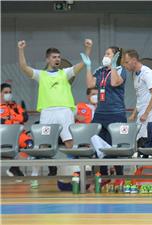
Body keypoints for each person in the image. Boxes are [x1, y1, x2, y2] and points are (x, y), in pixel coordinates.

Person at [18, 39, 93, 179]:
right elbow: (23, 67)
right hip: (47, 113)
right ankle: (35, 176)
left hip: (65, 112)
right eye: (54, 57)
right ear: (47, 59)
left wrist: (87, 48)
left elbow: (82, 64)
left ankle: (79, 172)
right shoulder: (41, 75)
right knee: (42, 144)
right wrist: (21, 49)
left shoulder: (65, 73)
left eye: (58, 57)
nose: (57, 59)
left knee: (70, 142)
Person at [81, 46, 127, 176]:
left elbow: (114, 82)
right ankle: (103, 176)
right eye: (105, 53)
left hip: (116, 113)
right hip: (100, 114)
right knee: (99, 146)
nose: (105, 56)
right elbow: (90, 84)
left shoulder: (121, 70)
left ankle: (119, 176)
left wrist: (113, 66)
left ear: (115, 56)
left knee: (115, 147)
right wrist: (88, 67)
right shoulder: (100, 71)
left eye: (108, 54)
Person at [123, 49, 152, 145]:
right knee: (139, 142)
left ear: (134, 60)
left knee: (145, 143)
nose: (125, 66)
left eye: (127, 62)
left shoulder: (147, 73)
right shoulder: (134, 74)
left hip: (149, 114)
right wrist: (134, 113)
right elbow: (140, 96)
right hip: (141, 113)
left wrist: (146, 114)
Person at [0, 82, 30, 177]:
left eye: (10, 92)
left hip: (19, 134)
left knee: (30, 144)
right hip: (3, 135)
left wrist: (8, 120)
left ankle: (15, 168)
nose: (8, 94)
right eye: (5, 92)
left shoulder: (15, 106)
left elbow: (25, 118)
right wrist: (15, 120)